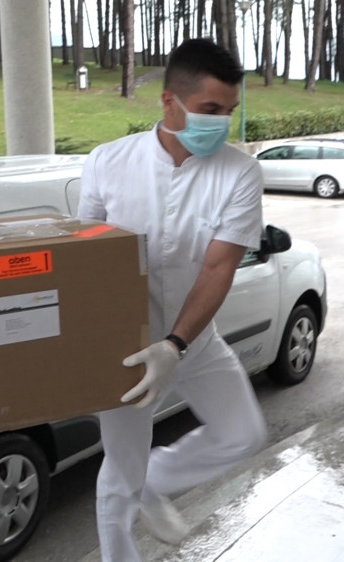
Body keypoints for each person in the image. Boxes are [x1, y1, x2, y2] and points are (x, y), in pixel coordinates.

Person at [78, 38, 270, 561]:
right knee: (120, 472)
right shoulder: (107, 162)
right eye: (211, 109)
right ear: (169, 101)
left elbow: (218, 266)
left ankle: (155, 480)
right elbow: (85, 258)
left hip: (194, 338)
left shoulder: (240, 172)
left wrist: (176, 344)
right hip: (126, 349)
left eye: (229, 111)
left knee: (243, 433)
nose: (221, 122)